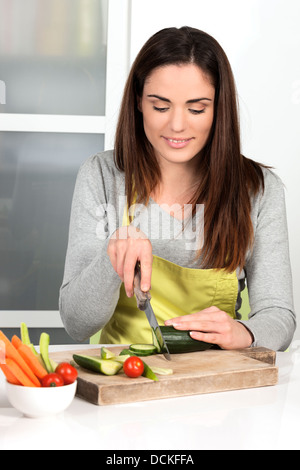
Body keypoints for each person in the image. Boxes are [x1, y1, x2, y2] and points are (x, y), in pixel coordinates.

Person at [59, 26, 296, 351]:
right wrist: (110, 255)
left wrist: (243, 333)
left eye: (197, 109)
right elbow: (76, 324)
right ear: (139, 102)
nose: (178, 125)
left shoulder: (259, 190)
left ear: (218, 109)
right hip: (124, 383)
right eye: (160, 106)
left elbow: (279, 316)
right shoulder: (102, 175)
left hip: (218, 384)